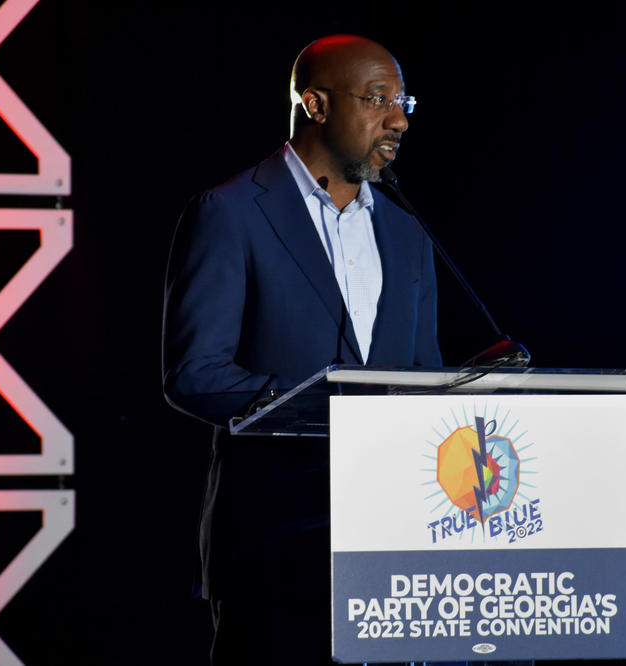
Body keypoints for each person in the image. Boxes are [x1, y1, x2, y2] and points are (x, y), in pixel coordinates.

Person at [162, 35, 442, 666]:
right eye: (377, 99)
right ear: (315, 104)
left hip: (394, 545)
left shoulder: (407, 233)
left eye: (403, 101)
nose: (397, 119)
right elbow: (194, 373)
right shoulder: (230, 213)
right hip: (275, 541)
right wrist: (315, 408)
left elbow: (424, 376)